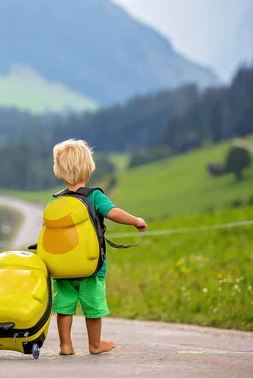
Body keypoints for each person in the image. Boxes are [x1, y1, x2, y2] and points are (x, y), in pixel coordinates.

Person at [49, 139, 147, 355]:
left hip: (62, 268)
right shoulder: (94, 196)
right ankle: (95, 345)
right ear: (88, 168)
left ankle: (65, 345)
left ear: (59, 171)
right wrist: (135, 220)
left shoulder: (55, 200)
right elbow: (113, 213)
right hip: (90, 266)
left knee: (64, 307)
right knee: (93, 306)